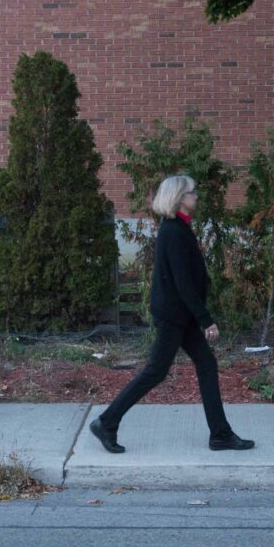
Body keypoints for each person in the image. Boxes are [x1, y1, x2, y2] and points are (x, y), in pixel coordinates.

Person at [90, 175, 254, 453]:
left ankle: (220, 434)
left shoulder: (179, 227)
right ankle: (106, 422)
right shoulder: (173, 232)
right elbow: (183, 283)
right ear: (179, 197)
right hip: (174, 316)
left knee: (206, 365)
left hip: (182, 315)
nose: (196, 196)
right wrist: (206, 319)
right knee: (155, 371)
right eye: (193, 192)